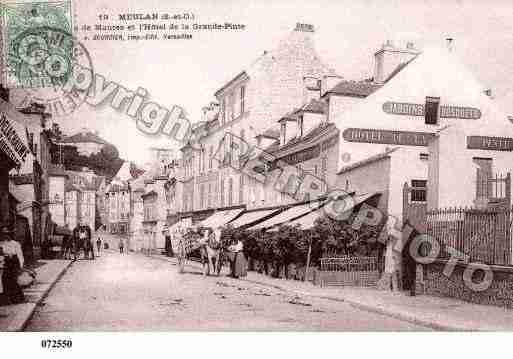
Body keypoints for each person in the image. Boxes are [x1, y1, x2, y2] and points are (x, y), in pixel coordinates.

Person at [0, 226, 25, 305]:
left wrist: (21, 265)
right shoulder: (1, 244)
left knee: (13, 280)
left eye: (7, 234)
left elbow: (20, 255)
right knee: (5, 280)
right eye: (4, 234)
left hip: (14, 264)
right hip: (5, 263)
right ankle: (7, 300)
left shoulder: (15, 244)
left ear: (10, 234)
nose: (5, 236)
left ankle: (16, 299)